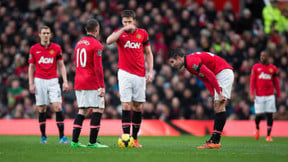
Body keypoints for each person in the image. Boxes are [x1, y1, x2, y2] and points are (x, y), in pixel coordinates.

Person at [168, 48, 234, 149]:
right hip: (220, 73)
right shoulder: (189, 65)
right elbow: (205, 79)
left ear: (178, 58)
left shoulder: (191, 62)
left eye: (172, 62)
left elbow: (209, 74)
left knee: (219, 106)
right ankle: (214, 140)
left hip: (223, 72)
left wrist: (219, 93)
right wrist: (214, 94)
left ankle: (215, 141)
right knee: (218, 106)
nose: (172, 65)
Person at [106, 10, 153, 148]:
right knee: (126, 104)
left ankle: (135, 139)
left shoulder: (143, 33)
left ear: (134, 21)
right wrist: (123, 29)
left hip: (140, 74)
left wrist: (150, 71)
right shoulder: (120, 34)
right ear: (122, 22)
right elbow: (108, 41)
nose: (127, 24)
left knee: (138, 106)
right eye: (125, 22)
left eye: (129, 22)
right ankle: (126, 137)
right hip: (124, 73)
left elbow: (149, 53)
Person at [71, 19, 108, 148]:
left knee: (82, 110)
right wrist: (101, 86)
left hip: (79, 81)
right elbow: (98, 68)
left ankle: (74, 141)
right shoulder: (97, 45)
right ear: (97, 30)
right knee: (98, 108)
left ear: (86, 30)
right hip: (91, 81)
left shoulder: (78, 43)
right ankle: (92, 142)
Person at [28, 26, 69, 144]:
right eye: (44, 33)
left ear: (50, 35)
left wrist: (65, 81)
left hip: (53, 80)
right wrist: (30, 83)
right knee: (42, 108)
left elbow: (61, 65)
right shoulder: (34, 49)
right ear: (40, 35)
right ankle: (43, 136)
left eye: (48, 33)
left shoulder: (56, 48)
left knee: (58, 107)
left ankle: (62, 137)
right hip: (39, 80)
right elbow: (31, 67)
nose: (46, 35)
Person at [250, 51, 280, 142]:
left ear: (268, 57)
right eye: (261, 56)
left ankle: (268, 135)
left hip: (270, 95)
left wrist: (278, 93)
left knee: (270, 115)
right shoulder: (256, 67)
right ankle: (257, 129)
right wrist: (252, 93)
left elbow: (276, 82)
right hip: (259, 95)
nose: (262, 57)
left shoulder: (273, 68)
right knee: (259, 114)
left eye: (264, 56)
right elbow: (252, 81)